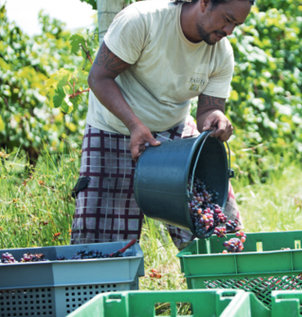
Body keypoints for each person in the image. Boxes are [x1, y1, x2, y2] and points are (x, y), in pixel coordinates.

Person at [70, 0, 254, 250]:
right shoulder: (142, 21)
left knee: (220, 233)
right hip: (114, 129)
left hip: (175, 131)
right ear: (204, 2)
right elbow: (99, 77)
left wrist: (215, 118)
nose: (230, 31)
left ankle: (221, 285)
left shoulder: (221, 52)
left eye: (237, 24)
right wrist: (134, 125)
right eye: (227, 19)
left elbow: (207, 112)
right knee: (101, 247)